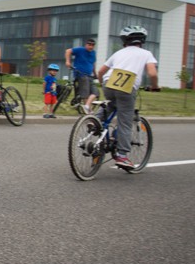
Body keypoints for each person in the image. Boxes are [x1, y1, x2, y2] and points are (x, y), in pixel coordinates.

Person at [95, 26, 160, 169]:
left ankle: (94, 122)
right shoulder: (146, 53)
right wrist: (155, 86)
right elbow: (153, 74)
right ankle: (122, 156)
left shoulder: (118, 53)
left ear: (124, 41)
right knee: (125, 120)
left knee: (111, 105)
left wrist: (103, 84)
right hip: (127, 86)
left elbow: (100, 71)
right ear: (142, 41)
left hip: (108, 81)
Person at [65, 38, 99, 113]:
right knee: (85, 92)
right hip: (80, 74)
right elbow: (68, 51)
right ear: (86, 44)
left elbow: (93, 64)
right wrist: (68, 61)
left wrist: (95, 74)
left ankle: (87, 106)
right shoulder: (80, 50)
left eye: (92, 45)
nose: (91, 46)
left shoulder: (93, 53)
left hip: (89, 75)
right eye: (89, 45)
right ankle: (88, 110)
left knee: (96, 92)